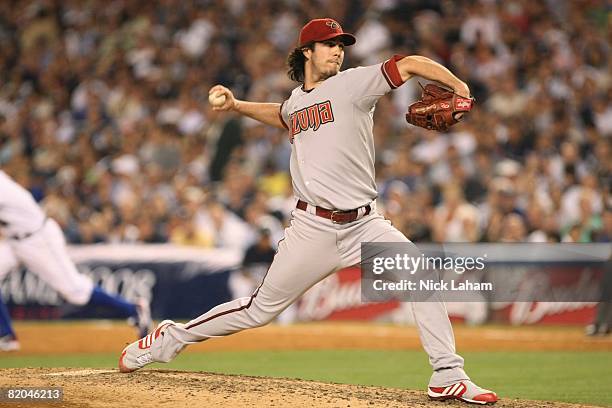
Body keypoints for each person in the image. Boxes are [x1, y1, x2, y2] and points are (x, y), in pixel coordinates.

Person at [119, 18, 498, 405]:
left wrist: (460, 87)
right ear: (307, 52)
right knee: (258, 310)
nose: (338, 50)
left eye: (341, 44)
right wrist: (237, 106)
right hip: (312, 228)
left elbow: (411, 63)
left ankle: (447, 374)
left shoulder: (353, 84)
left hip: (366, 224)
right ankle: (171, 338)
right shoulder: (298, 101)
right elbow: (282, 114)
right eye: (329, 44)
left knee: (420, 274)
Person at [0, 170, 152, 351]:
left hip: (38, 239)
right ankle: (6, 335)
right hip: (13, 241)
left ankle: (133, 309)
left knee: (75, 291)